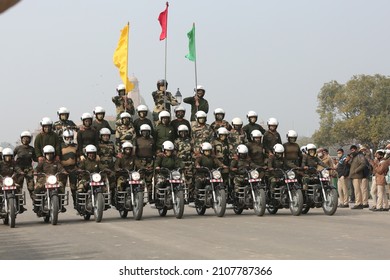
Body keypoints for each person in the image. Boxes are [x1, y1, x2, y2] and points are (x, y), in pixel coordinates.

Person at [34, 145, 67, 212]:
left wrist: (64, 171)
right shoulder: (42, 163)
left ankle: (61, 204)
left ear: (53, 154)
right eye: (47, 154)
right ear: (44, 154)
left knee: (61, 187)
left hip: (54, 179)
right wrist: (35, 172)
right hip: (43, 179)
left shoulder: (56, 163)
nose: (49, 155)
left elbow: (61, 168)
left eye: (51, 154)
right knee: (37, 188)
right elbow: (36, 169)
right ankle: (36, 205)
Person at [0, 147, 26, 212]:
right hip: (1, 181)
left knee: (17, 190)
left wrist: (21, 172)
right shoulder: (1, 164)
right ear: (3, 157)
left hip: (11, 181)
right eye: (6, 156)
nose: (8, 158)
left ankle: (19, 206)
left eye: (9, 156)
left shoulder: (13, 163)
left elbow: (17, 168)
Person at [134, 124, 155, 202]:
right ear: (140, 132)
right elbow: (134, 152)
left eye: (147, 131)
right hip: (140, 161)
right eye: (143, 131)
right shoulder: (137, 140)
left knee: (149, 180)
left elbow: (154, 150)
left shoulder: (152, 140)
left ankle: (150, 197)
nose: (145, 133)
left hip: (150, 161)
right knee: (140, 179)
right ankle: (140, 197)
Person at [14, 131, 37, 200]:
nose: (25, 140)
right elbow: (11, 158)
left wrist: (42, 158)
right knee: (18, 186)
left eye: (27, 138)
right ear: (21, 139)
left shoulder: (32, 149)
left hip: (29, 169)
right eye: (24, 138)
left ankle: (36, 203)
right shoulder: (17, 148)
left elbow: (36, 159)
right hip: (19, 169)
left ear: (30, 140)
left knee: (31, 187)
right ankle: (19, 204)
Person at [59, 129, 78, 208]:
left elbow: (78, 158)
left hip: (73, 169)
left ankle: (77, 204)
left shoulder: (76, 146)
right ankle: (60, 205)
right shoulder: (60, 146)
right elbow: (57, 158)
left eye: (70, 137)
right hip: (63, 169)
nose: (69, 139)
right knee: (61, 188)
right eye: (67, 138)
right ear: (64, 137)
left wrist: (78, 167)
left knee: (74, 188)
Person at [174, 125, 194, 200]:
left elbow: (193, 151)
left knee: (189, 181)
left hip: (189, 163)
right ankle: (178, 197)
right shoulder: (176, 141)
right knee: (177, 180)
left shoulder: (190, 140)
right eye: (181, 132)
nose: (183, 133)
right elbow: (174, 152)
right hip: (179, 163)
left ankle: (190, 197)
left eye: (185, 132)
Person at [98, 128, 116, 203]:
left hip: (110, 166)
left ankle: (113, 200)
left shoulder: (111, 144)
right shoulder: (98, 145)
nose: (106, 137)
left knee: (113, 183)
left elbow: (114, 153)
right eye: (104, 136)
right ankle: (103, 201)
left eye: (107, 136)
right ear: (101, 136)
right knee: (102, 184)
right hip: (101, 167)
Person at [346, 145, 366, 209]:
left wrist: (356, 170)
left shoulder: (360, 155)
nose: (352, 151)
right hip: (353, 176)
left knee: (358, 190)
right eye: (351, 150)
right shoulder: (353, 157)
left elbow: (363, 164)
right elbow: (349, 164)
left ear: (356, 150)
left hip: (357, 176)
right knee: (356, 190)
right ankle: (359, 202)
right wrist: (348, 159)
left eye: (353, 150)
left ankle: (358, 203)